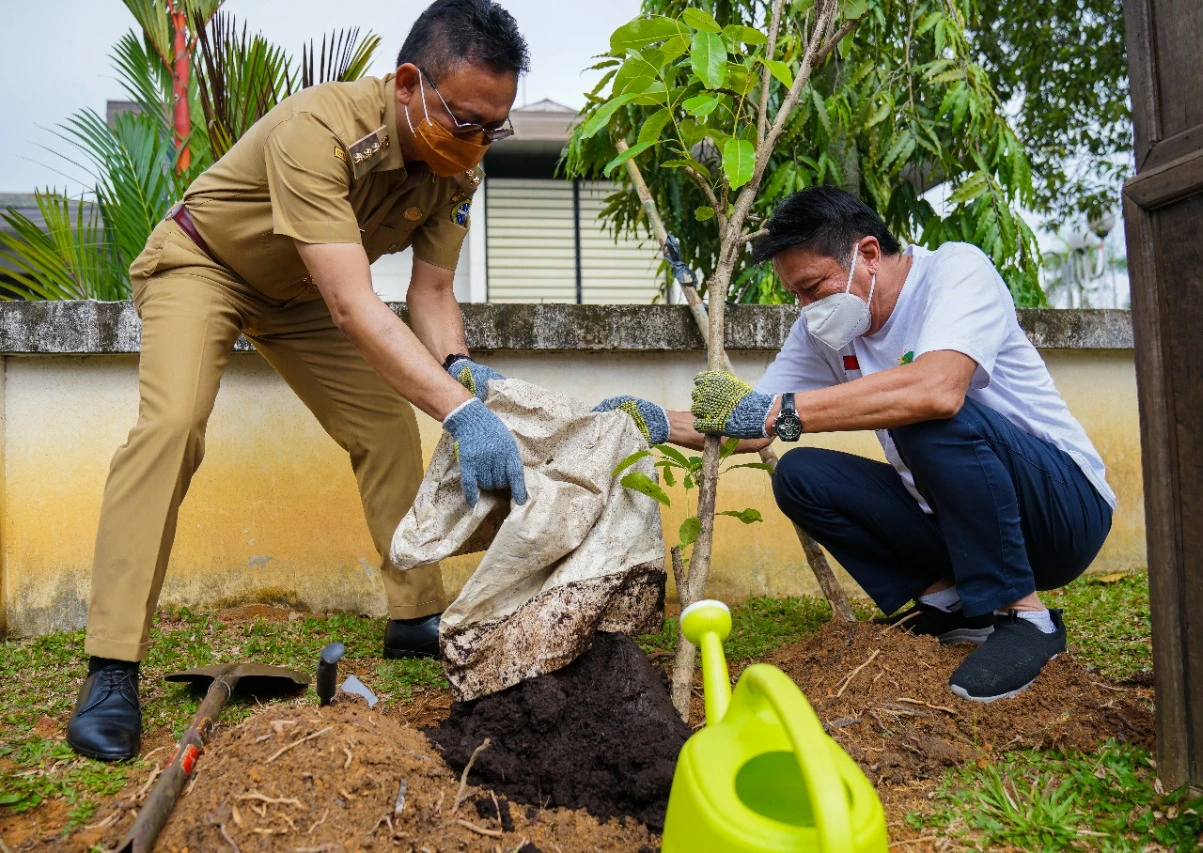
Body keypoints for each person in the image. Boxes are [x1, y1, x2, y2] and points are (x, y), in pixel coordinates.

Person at [66, 0, 529, 762]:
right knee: (174, 424)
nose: (477, 141)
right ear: (409, 83)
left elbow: (433, 295)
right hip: (204, 263)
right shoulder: (319, 129)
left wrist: (463, 380)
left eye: (493, 126)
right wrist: (459, 414)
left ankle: (415, 615)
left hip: (300, 294)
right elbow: (354, 304)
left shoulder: (456, 169)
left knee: (383, 421)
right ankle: (112, 666)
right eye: (466, 119)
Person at [601, 185, 1114, 703]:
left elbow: (936, 389)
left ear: (867, 254)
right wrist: (655, 422)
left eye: (813, 287)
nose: (805, 307)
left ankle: (1026, 619)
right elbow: (755, 423)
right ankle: (957, 611)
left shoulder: (955, 271)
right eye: (795, 295)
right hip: (961, 523)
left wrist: (788, 412)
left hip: (1062, 511)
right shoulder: (825, 332)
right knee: (802, 477)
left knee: (922, 412)